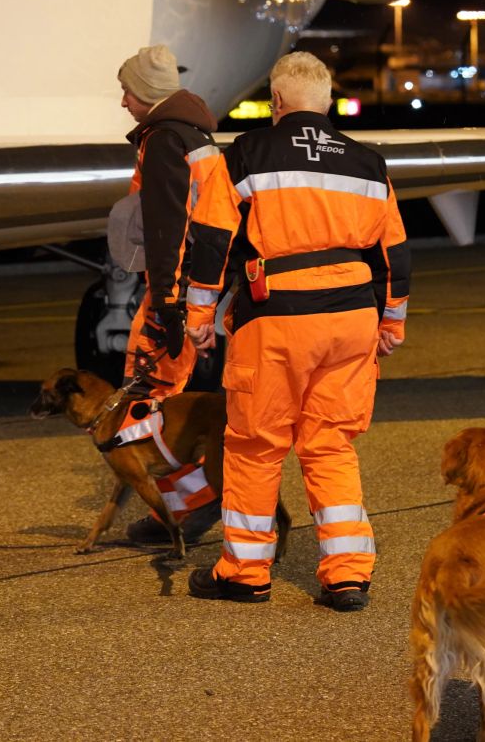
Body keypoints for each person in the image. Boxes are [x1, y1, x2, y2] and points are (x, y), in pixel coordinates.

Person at [186, 51, 410, 611]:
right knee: (332, 443)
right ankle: (347, 575)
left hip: (278, 319)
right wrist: (392, 320)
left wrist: (198, 319)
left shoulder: (245, 154)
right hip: (353, 319)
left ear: (276, 103)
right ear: (328, 101)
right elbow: (395, 253)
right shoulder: (367, 162)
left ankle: (245, 572)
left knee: (257, 446)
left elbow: (212, 240)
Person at [115, 44, 236, 543]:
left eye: (126, 90)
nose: (122, 101)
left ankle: (191, 505)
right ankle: (192, 500)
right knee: (164, 401)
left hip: (177, 290)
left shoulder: (165, 140)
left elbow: (167, 228)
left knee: (144, 404)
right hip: (198, 287)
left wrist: (168, 304)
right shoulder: (193, 136)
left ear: (145, 94)